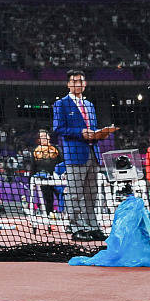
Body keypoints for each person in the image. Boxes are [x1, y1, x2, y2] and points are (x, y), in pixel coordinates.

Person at [52, 69, 111, 242]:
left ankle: (92, 226)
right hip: (75, 154)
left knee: (91, 193)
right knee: (75, 193)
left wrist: (99, 134)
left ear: (85, 84)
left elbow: (92, 127)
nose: (78, 84)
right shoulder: (61, 104)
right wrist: (81, 133)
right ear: (68, 84)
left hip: (93, 153)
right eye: (74, 81)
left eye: (81, 81)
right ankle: (76, 227)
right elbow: (58, 128)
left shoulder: (90, 105)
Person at [30, 129, 61, 216]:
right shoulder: (35, 151)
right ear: (39, 139)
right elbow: (33, 166)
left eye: (45, 136)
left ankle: (64, 214)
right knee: (48, 199)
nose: (44, 138)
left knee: (61, 196)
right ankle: (49, 216)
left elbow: (61, 163)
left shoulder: (55, 149)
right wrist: (32, 179)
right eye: (41, 136)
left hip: (56, 178)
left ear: (49, 137)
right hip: (43, 178)